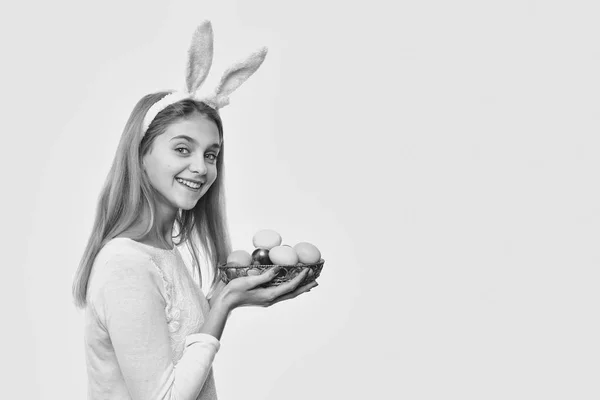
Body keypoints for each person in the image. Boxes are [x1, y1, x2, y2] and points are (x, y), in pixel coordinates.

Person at [71, 21, 317, 400]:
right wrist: (224, 304)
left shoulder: (161, 251)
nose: (201, 167)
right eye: (182, 149)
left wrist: (226, 294)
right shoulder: (125, 264)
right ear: (140, 152)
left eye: (211, 154)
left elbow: (171, 347)